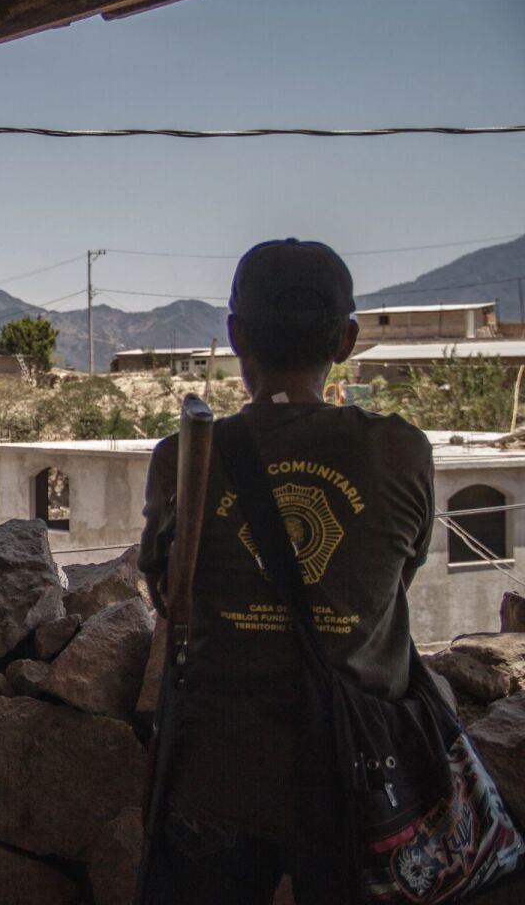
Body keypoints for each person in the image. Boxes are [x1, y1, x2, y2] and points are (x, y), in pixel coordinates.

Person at [137, 239, 434, 903]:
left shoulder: (182, 457)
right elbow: (394, 582)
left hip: (217, 774)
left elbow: (166, 596)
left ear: (236, 335)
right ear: (347, 340)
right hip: (358, 776)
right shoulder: (400, 451)